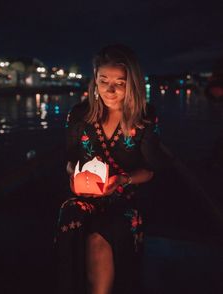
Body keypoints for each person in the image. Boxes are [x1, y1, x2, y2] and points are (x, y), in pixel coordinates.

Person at [55, 44, 167, 294]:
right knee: (70, 215)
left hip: (125, 197)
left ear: (133, 84)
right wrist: (74, 174)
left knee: (97, 237)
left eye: (120, 82)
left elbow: (151, 170)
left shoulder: (144, 118)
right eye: (103, 80)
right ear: (95, 80)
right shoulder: (79, 115)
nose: (110, 89)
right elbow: (70, 159)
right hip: (84, 196)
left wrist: (122, 180)